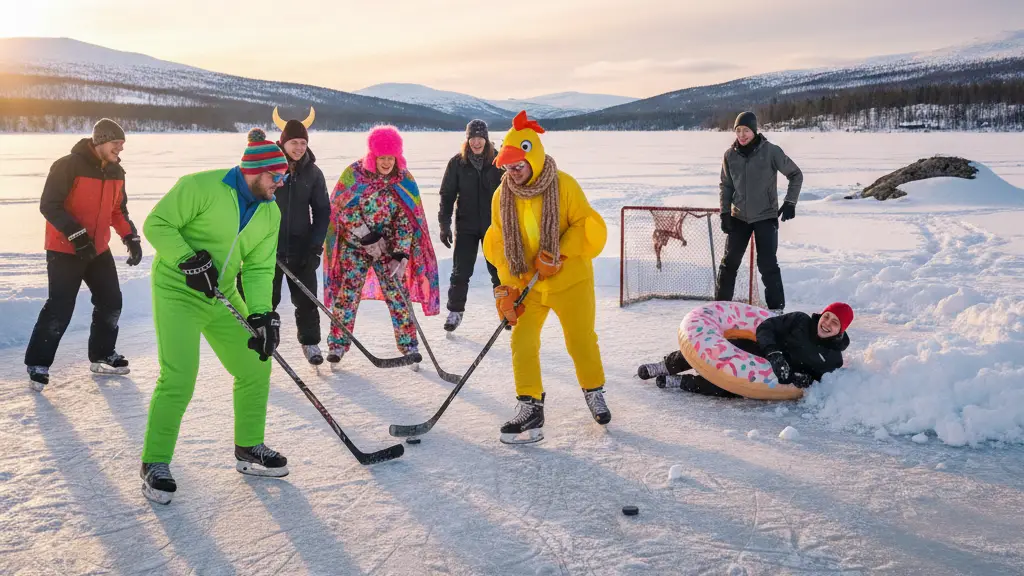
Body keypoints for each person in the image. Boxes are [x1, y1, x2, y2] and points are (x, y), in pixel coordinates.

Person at [139, 128, 289, 504]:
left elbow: (257, 268)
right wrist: (187, 260)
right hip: (178, 290)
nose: (281, 184)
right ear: (255, 172)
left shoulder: (270, 213)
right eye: (277, 177)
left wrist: (260, 315)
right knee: (179, 377)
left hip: (222, 294)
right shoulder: (200, 187)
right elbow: (156, 224)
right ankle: (154, 462)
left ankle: (249, 446)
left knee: (256, 362)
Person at [482, 111, 610, 444]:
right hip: (530, 285)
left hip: (571, 281)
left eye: (519, 164)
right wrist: (508, 287)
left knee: (580, 340)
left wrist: (558, 253)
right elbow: (500, 242)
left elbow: (585, 223)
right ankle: (530, 405)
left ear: (533, 156)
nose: (513, 171)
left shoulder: (563, 185)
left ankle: (594, 390)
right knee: (522, 342)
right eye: (508, 166)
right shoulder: (501, 196)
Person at [24, 118, 143, 391]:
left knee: (111, 301)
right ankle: (37, 363)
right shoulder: (67, 166)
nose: (119, 150)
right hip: (64, 249)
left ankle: (102, 354)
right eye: (116, 144)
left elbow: (117, 211)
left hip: (98, 249)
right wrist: (77, 236)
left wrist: (130, 237)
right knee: (60, 307)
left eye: (122, 145)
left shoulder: (116, 172)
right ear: (101, 141)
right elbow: (50, 206)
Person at [323, 125, 439, 369]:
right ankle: (337, 345)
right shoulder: (354, 174)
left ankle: (409, 346)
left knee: (398, 294)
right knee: (348, 294)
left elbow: (407, 219)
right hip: (355, 247)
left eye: (391, 158)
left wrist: (400, 252)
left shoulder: (404, 179)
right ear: (372, 156)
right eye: (382, 157)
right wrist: (366, 236)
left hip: (387, 249)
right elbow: (342, 208)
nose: (387, 163)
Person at [238, 107, 329, 365]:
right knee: (262, 301)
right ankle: (252, 344)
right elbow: (247, 204)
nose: (299, 147)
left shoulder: (313, 173)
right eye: (294, 142)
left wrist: (314, 248)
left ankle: (310, 343)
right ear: (283, 142)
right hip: (265, 249)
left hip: (301, 249)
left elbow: (322, 211)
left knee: (307, 300)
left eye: (303, 143)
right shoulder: (268, 168)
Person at [636, 303, 853, 396]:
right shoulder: (800, 320)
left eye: (835, 322)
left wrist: (802, 378)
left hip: (775, 376)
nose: (827, 323)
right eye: (827, 316)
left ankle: (682, 382)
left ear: (841, 330)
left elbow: (818, 380)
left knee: (732, 389)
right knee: (713, 350)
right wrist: (774, 352)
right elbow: (766, 326)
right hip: (756, 349)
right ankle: (664, 366)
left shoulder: (833, 359)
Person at [716, 111, 803, 314]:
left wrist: (790, 202)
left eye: (746, 130)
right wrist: (724, 213)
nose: (742, 135)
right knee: (729, 264)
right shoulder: (730, 156)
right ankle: (719, 308)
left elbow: (795, 174)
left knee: (767, 265)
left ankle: (776, 311)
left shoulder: (771, 151)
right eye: (738, 130)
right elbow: (726, 186)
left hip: (765, 216)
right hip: (738, 217)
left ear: (754, 131)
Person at [438, 119, 504, 332]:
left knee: (499, 271)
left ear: (486, 138)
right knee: (460, 271)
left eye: (480, 138)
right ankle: (455, 312)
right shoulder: (457, 163)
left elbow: (511, 193)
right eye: (472, 138)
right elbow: (447, 195)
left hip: (493, 226)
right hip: (465, 225)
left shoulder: (498, 161)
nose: (476, 142)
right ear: (467, 140)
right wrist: (444, 224)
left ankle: (506, 310)